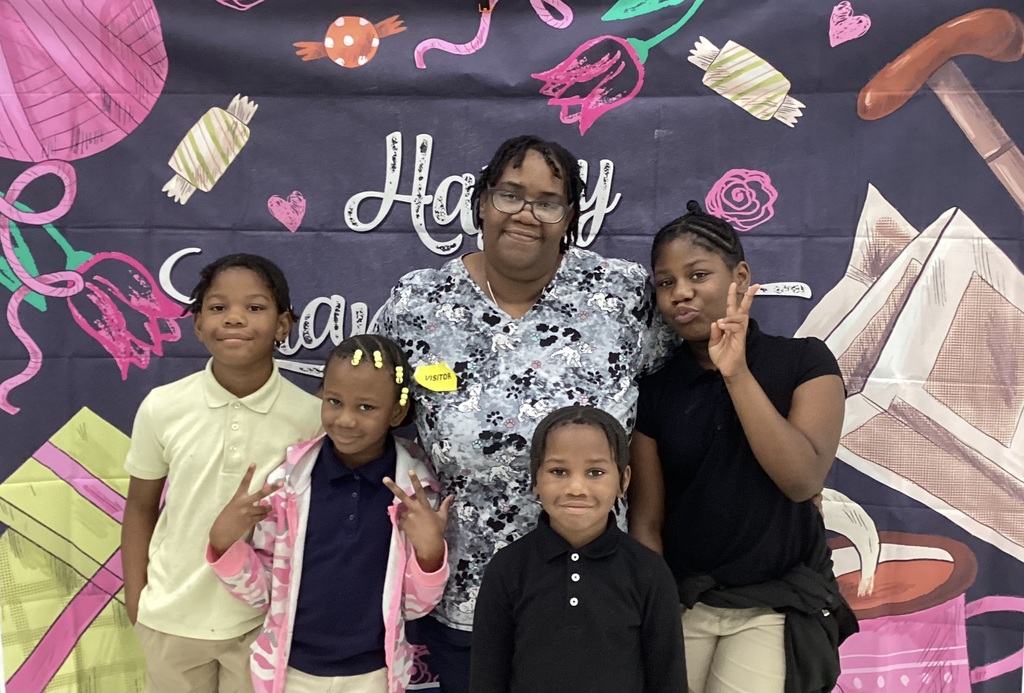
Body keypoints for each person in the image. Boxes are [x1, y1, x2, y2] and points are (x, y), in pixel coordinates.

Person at [376, 134, 673, 692]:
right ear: (480, 202)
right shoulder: (418, 304)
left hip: (599, 596)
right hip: (463, 600)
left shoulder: (624, 296)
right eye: (509, 195)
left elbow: (674, 411)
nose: (526, 215)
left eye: (548, 201)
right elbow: (372, 423)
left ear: (570, 217)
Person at [628, 201, 856, 693]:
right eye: (665, 283)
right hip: (686, 601)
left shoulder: (804, 361)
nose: (680, 293)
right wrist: (660, 610)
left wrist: (735, 371)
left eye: (698, 274)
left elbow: (801, 480)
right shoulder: (658, 389)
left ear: (740, 276)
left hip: (775, 604)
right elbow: (646, 521)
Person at [121, 253, 323, 693]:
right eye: (217, 308)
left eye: (254, 307)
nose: (234, 319)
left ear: (283, 325)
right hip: (172, 620)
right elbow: (139, 508)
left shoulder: (311, 418)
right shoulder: (163, 406)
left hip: (261, 624)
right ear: (197, 324)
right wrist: (136, 601)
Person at [206, 334, 452, 693]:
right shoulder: (287, 484)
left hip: (375, 675)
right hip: (290, 672)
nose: (346, 420)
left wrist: (430, 555)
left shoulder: (416, 493)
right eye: (334, 401)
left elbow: (415, 608)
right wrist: (223, 542)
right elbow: (262, 595)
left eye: (366, 407)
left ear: (397, 412)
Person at [470, 406, 687, 693]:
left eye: (595, 472)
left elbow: (667, 678)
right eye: (558, 471)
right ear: (535, 479)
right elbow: (487, 677)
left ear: (623, 481)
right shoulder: (508, 568)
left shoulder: (648, 572)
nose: (576, 487)